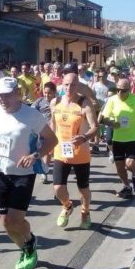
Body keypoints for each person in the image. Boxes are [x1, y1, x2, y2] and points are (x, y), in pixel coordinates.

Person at [0, 77, 58, 269]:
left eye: (7, 95)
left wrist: (35, 156)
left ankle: (30, 241)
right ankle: (24, 248)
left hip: (24, 173)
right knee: (5, 223)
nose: (2, 99)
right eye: (0, 95)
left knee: (16, 219)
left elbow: (52, 140)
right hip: (2, 172)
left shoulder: (31, 115)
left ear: (17, 94)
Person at [49, 71, 98, 229]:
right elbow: (53, 125)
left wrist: (84, 137)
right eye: (66, 84)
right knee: (58, 187)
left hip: (80, 153)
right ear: (62, 84)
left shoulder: (84, 103)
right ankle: (67, 206)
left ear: (78, 86)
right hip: (61, 150)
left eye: (73, 84)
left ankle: (85, 211)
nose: (69, 87)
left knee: (83, 188)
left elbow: (95, 127)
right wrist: (49, 144)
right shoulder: (55, 102)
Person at [100, 78, 135, 198]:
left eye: (123, 90)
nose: (119, 93)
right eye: (117, 90)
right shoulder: (112, 100)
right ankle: (127, 187)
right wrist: (112, 124)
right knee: (119, 166)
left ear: (129, 90)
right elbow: (103, 118)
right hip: (118, 138)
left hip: (133, 137)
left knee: (129, 163)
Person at [31, 82, 57, 183]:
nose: (46, 95)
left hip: (57, 130)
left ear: (54, 93)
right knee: (44, 151)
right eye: (45, 93)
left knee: (52, 153)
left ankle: (49, 173)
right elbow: (31, 111)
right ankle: (45, 171)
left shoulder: (59, 102)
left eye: (49, 93)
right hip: (43, 130)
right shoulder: (40, 101)